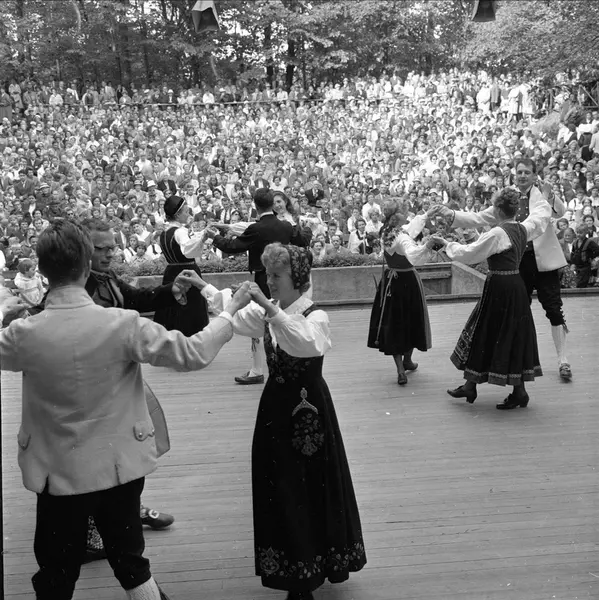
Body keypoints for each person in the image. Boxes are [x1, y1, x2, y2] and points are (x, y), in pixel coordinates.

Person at [0, 219, 252, 600]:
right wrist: (229, 312)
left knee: (55, 574)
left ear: (44, 270)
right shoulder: (123, 325)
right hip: (118, 466)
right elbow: (194, 352)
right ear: (86, 264)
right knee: (132, 566)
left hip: (55, 472)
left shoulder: (24, 333)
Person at [178, 243, 366, 600]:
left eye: (277, 275)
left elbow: (305, 343)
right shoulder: (270, 311)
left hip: (310, 415)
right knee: (282, 486)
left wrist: (268, 307)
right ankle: (296, 572)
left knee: (309, 485)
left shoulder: (315, 315)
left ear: (297, 278)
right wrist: (203, 286)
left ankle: (313, 569)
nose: (270, 281)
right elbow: (234, 314)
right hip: (276, 409)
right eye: (268, 274)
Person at [54, 218, 185, 562]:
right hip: (90, 390)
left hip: (118, 380)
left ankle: (126, 508)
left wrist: (170, 290)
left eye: (113, 247)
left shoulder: (105, 276)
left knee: (131, 447)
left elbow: (133, 298)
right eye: (102, 248)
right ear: (83, 249)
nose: (111, 253)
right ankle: (92, 529)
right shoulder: (71, 289)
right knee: (96, 455)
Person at [431, 158, 572, 381]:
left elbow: (559, 212)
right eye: (519, 172)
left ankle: (562, 360)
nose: (523, 176)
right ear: (514, 174)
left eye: (527, 172)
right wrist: (453, 215)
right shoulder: (509, 197)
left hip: (544, 261)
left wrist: (550, 196)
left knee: (554, 308)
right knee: (518, 311)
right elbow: (481, 217)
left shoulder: (541, 194)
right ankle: (517, 363)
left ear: (535, 175)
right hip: (518, 263)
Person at [430, 188, 549, 409]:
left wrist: (447, 245)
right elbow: (540, 218)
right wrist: (543, 197)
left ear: (498, 210)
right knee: (510, 333)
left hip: (499, 287)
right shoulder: (523, 228)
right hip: (516, 285)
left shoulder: (497, 233)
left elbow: (470, 253)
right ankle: (503, 389)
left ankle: (482, 387)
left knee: (486, 330)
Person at [206, 188, 312, 385]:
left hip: (264, 278)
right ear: (273, 204)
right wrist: (306, 228)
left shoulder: (256, 228)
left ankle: (257, 369)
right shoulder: (285, 226)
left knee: (261, 320)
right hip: (286, 279)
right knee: (283, 317)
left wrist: (214, 237)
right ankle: (287, 363)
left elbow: (231, 247)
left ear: (255, 206)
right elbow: (303, 240)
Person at [367, 202, 432, 385]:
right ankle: (407, 360)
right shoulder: (401, 237)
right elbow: (413, 253)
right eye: (404, 212)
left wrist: (426, 215)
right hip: (408, 280)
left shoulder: (386, 231)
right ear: (397, 217)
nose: (407, 214)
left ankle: (402, 368)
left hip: (391, 280)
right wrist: (427, 245)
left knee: (394, 322)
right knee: (412, 319)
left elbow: (411, 228)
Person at [153, 195, 210, 336]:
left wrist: (201, 234)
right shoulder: (179, 231)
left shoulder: (164, 232)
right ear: (178, 215)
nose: (188, 214)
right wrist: (203, 238)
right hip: (187, 273)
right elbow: (188, 249)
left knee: (171, 308)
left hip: (170, 272)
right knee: (189, 311)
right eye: (185, 211)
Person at [570, 223, 599, 288]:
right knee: (577, 282)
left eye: (581, 233)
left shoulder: (589, 242)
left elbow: (597, 251)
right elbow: (572, 253)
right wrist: (572, 263)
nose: (578, 234)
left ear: (586, 232)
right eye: (577, 232)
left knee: (581, 283)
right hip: (577, 266)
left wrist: (594, 259)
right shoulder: (575, 243)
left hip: (586, 266)